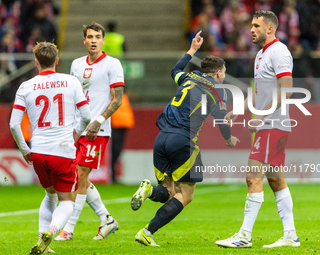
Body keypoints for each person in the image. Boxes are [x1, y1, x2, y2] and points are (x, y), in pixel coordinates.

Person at [131, 31, 239, 247]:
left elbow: (175, 70)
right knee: (186, 195)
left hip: (161, 138)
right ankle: (147, 231)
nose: (224, 76)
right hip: (182, 141)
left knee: (169, 192)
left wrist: (191, 51)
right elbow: (220, 120)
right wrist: (229, 139)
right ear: (218, 73)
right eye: (224, 72)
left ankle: (149, 191)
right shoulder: (218, 91)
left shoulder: (188, 78)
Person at [215, 10, 300, 248]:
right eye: (251, 25)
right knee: (275, 180)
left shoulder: (279, 51)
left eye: (256, 26)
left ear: (270, 29)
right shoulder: (261, 54)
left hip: (273, 124)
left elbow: (287, 90)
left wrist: (261, 115)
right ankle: (290, 235)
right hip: (267, 124)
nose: (251, 29)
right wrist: (240, 109)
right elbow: (258, 93)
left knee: (253, 177)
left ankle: (244, 235)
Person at [9, 41, 91, 254]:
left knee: (49, 195)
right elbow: (87, 116)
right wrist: (76, 133)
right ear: (56, 60)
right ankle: (52, 230)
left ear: (36, 62)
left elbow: (13, 124)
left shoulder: (26, 86)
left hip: (39, 151)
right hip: (62, 150)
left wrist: (25, 150)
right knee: (66, 201)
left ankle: (41, 241)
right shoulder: (71, 81)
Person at [54, 21, 124, 241]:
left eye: (97, 37)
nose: (94, 40)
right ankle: (107, 220)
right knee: (76, 175)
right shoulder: (76, 65)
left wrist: (99, 120)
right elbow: (74, 97)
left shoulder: (113, 64)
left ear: (103, 40)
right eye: (90, 37)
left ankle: (69, 229)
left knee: (81, 175)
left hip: (98, 130)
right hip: (77, 128)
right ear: (84, 40)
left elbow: (118, 99)